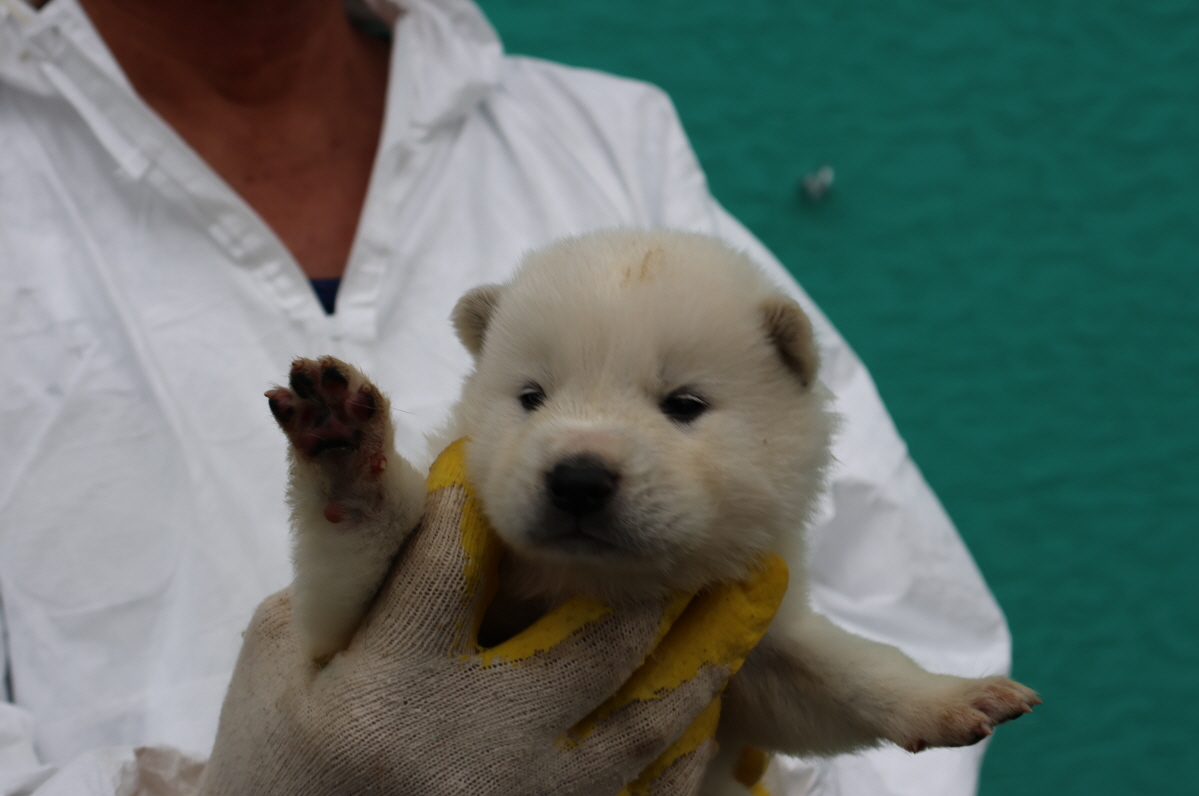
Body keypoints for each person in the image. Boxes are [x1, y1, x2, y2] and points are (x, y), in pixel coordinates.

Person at [0, 0, 1015, 794]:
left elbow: (899, 607)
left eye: (676, 405)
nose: (585, 449)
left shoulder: (605, 137)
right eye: (528, 392)